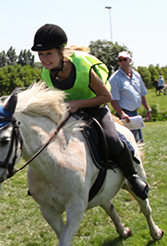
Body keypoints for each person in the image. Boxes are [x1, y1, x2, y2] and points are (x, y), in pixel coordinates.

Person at [31, 23, 149, 200]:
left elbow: (106, 97)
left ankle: (132, 176)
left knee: (113, 140)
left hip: (97, 109)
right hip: (71, 113)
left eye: (49, 53)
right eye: (41, 54)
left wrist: (78, 103)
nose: (44, 59)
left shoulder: (84, 69)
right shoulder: (46, 74)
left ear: (61, 52)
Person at [109, 51, 152, 143]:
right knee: (129, 143)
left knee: (139, 142)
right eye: (120, 60)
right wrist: (122, 114)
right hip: (125, 115)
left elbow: (142, 94)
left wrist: (148, 109)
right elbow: (113, 100)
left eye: (124, 59)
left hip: (135, 115)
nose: (122, 62)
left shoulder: (136, 75)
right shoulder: (114, 78)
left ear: (130, 60)